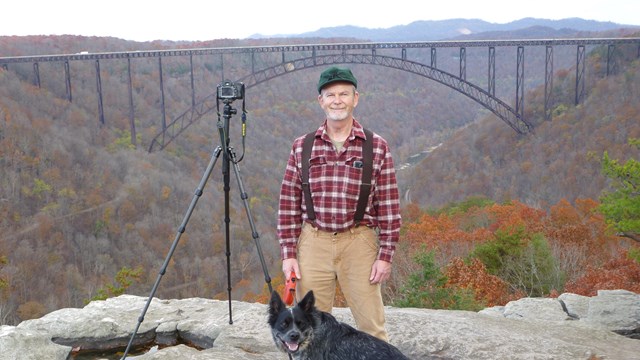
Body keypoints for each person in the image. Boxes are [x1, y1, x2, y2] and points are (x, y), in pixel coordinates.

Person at [277, 66, 402, 342]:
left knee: (372, 328)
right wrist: (289, 254)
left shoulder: (376, 146)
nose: (337, 100)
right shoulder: (302, 146)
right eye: (330, 94)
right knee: (309, 329)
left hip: (359, 242)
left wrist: (385, 255)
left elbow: (390, 208)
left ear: (355, 98)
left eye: (344, 93)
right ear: (320, 101)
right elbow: (288, 204)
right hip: (314, 241)